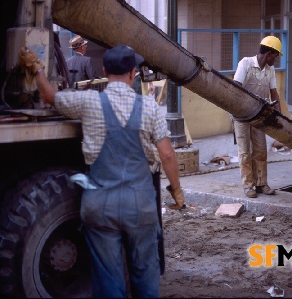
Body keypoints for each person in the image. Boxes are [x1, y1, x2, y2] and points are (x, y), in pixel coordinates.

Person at [19, 44, 185, 297]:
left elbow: (51, 97)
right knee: (145, 273)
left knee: (109, 278)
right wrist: (177, 191)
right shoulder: (149, 107)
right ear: (132, 73)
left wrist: (38, 69)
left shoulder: (89, 101)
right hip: (139, 205)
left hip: (100, 205)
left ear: (105, 70)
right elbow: (167, 154)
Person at [232, 36, 282, 198]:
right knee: (245, 152)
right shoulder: (245, 64)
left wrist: (280, 119)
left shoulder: (270, 70)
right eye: (276, 56)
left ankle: (261, 183)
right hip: (241, 115)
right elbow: (236, 88)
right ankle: (248, 185)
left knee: (260, 150)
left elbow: (274, 94)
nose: (276, 59)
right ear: (268, 54)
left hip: (259, 116)